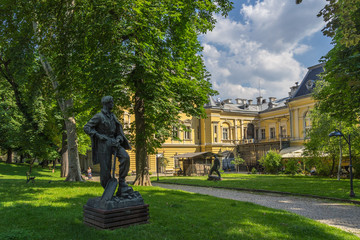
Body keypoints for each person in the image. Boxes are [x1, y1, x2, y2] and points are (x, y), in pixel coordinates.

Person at [84, 96, 132, 197]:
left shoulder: (113, 116)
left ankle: (122, 182)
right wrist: (98, 135)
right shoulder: (99, 116)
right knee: (105, 169)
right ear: (107, 103)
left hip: (114, 142)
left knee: (125, 157)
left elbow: (118, 132)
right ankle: (108, 192)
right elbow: (87, 127)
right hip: (103, 143)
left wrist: (119, 139)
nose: (113, 104)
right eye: (112, 102)